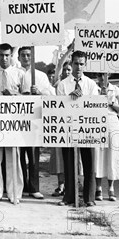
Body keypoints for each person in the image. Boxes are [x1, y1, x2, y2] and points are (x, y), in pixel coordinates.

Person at [56, 50, 99, 207]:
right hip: (68, 128)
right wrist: (70, 99)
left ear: (85, 64)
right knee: (69, 164)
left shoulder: (91, 84)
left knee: (89, 164)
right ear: (71, 64)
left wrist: (82, 99)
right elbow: (59, 107)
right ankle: (69, 196)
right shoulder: (63, 85)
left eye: (82, 64)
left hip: (87, 128)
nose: (79, 67)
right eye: (76, 63)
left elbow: (95, 106)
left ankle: (89, 197)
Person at [0, 43, 25, 205]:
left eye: (7, 55)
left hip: (13, 121)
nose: (4, 58)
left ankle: (15, 193)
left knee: (13, 158)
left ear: (11, 56)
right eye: (1, 55)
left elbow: (28, 98)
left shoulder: (19, 74)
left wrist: (14, 95)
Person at [17, 46, 54, 200]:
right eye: (23, 55)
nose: (26, 58)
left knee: (33, 155)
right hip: (16, 119)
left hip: (34, 120)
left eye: (29, 55)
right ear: (18, 57)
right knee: (17, 155)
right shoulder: (13, 73)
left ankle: (33, 187)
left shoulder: (40, 75)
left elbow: (52, 94)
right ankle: (19, 186)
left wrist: (39, 92)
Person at [94, 73, 119, 202]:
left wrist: (111, 102)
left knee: (112, 154)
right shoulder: (93, 88)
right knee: (98, 154)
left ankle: (111, 188)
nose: (102, 79)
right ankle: (98, 188)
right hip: (97, 122)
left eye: (105, 76)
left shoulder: (115, 89)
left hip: (112, 122)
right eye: (100, 76)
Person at [50, 61, 72, 196]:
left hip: (73, 124)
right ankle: (61, 185)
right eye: (65, 70)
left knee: (72, 156)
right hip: (59, 124)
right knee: (59, 156)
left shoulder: (78, 84)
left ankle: (72, 184)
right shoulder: (58, 85)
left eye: (69, 70)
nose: (68, 72)